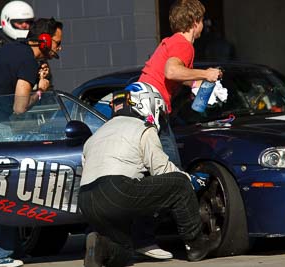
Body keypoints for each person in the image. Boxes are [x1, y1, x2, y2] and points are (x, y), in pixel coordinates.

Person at [78, 83, 220, 267]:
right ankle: (197, 245)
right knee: (179, 184)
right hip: (115, 190)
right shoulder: (143, 127)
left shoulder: (96, 135)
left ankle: (100, 246)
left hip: (87, 199)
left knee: (125, 252)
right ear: (147, 105)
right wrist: (190, 179)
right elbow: (162, 169)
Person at [0, 18, 63, 267]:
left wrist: (36, 77)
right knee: (3, 187)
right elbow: (19, 107)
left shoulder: (14, 50)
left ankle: (7, 249)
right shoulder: (26, 59)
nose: (60, 48)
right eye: (58, 43)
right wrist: (40, 90)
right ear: (45, 40)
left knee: (0, 186)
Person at [130, 0, 223, 259]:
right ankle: (193, 243)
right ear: (195, 22)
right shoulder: (183, 44)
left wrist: (195, 84)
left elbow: (170, 73)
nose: (203, 24)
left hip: (142, 110)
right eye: (202, 20)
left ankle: (141, 238)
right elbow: (171, 71)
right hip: (153, 114)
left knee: (153, 178)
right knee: (174, 178)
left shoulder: (171, 41)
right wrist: (205, 74)